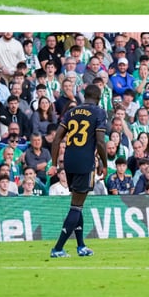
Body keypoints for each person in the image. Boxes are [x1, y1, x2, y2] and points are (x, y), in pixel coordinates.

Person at [46, 82, 109, 257]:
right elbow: (101, 141)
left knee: (77, 203)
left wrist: (53, 164)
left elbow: (57, 138)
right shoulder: (98, 112)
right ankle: (58, 248)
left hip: (69, 162)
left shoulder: (71, 112)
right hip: (85, 162)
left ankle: (81, 246)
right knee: (76, 206)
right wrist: (105, 163)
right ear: (98, 98)